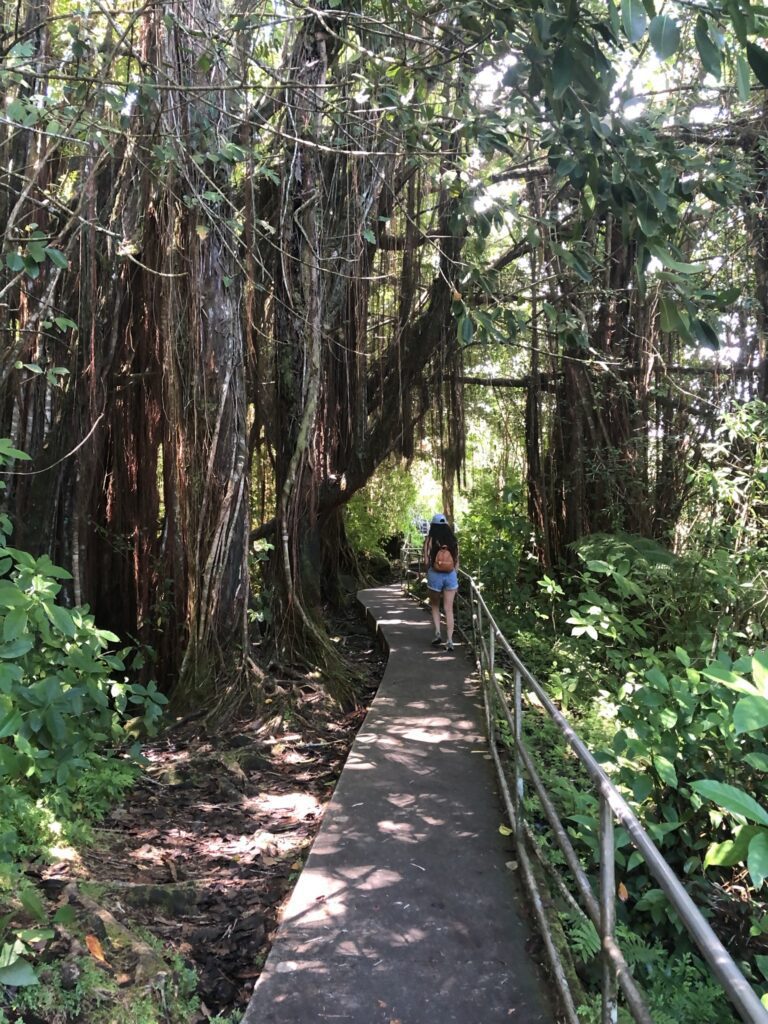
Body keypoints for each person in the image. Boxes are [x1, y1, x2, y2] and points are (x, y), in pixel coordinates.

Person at [422, 513, 459, 652]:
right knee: (449, 609)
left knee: (435, 605)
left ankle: (438, 633)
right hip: (450, 576)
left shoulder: (429, 540)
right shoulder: (453, 540)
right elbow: (456, 562)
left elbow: (426, 561)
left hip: (435, 575)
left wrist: (428, 572)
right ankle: (450, 640)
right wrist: (453, 575)